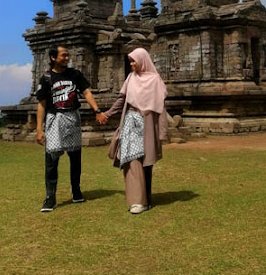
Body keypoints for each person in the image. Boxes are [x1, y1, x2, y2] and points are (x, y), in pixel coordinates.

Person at [97, 48, 168, 214]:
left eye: (134, 61)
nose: (131, 64)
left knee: (147, 162)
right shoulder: (130, 79)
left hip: (148, 123)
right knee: (132, 160)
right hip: (131, 122)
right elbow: (121, 100)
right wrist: (107, 114)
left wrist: (163, 132)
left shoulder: (155, 80)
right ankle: (137, 201)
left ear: (143, 61)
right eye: (130, 61)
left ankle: (147, 199)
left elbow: (161, 108)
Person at [36, 44, 102, 212]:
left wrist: (97, 110)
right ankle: (50, 197)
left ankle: (76, 190)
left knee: (75, 158)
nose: (67, 58)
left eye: (68, 55)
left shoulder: (74, 74)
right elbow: (42, 104)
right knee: (52, 159)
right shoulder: (46, 78)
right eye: (63, 55)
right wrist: (39, 129)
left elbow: (86, 92)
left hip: (72, 117)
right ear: (53, 57)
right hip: (54, 119)